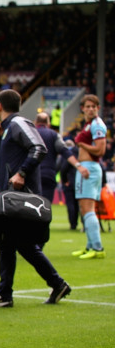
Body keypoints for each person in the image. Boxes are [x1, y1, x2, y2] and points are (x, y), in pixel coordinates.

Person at [0, 89, 71, 308]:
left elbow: (39, 148)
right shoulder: (9, 127)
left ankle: (10, 293)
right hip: (11, 194)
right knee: (13, 243)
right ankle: (11, 293)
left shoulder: (19, 123)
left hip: (20, 195)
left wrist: (21, 173)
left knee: (15, 243)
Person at [71, 94, 107, 259]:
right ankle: (90, 245)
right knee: (84, 208)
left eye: (94, 106)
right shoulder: (88, 124)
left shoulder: (97, 125)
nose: (91, 109)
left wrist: (81, 144)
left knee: (88, 208)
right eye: (88, 106)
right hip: (86, 168)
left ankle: (98, 248)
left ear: (98, 108)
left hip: (90, 168)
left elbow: (100, 150)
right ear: (83, 109)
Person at [34, 112, 74, 203]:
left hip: (32, 174)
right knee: (46, 206)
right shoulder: (54, 135)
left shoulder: (31, 133)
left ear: (36, 122)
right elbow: (64, 150)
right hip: (49, 174)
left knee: (32, 204)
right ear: (48, 123)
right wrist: (78, 164)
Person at [58, 140, 80, 230]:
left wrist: (64, 180)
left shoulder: (66, 155)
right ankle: (77, 222)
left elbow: (62, 168)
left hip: (69, 182)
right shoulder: (79, 153)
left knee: (70, 204)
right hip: (78, 182)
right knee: (77, 204)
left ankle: (73, 224)